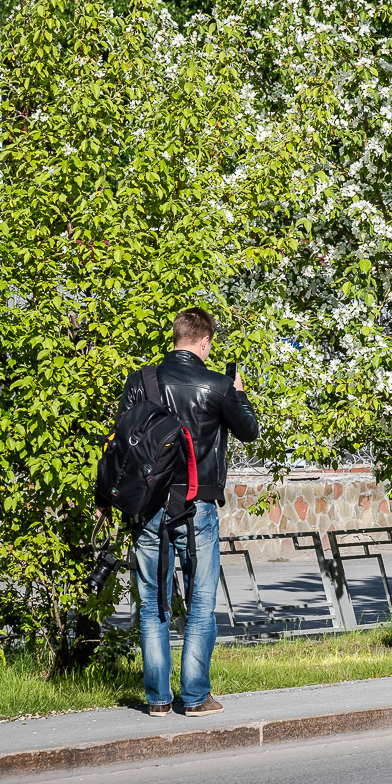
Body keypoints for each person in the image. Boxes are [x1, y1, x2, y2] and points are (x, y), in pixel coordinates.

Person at [117, 307, 259, 716]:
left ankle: (158, 700)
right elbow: (249, 430)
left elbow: (123, 436)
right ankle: (195, 697)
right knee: (200, 603)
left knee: (151, 603)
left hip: (147, 506)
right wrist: (238, 390)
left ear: (176, 337)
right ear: (204, 342)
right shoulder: (217, 385)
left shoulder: (141, 380)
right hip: (196, 505)